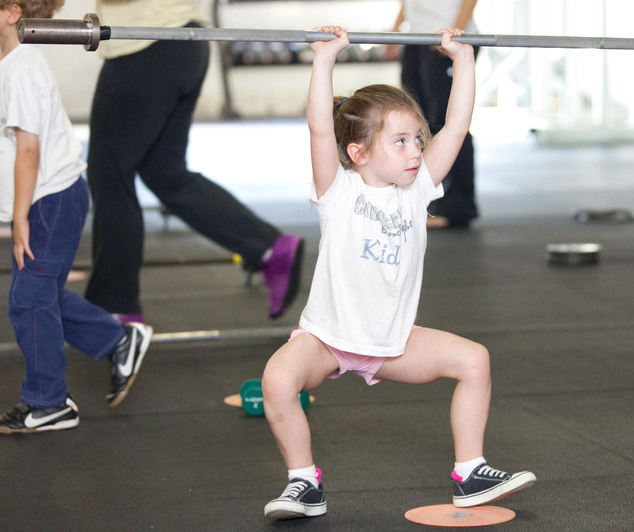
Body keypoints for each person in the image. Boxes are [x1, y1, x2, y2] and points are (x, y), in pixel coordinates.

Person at [260, 25, 535, 521]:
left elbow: (455, 127)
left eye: (416, 140)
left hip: (392, 342)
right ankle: (304, 484)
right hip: (328, 338)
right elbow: (322, 128)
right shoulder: (339, 192)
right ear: (359, 153)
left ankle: (470, 472)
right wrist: (324, 60)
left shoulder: (419, 190)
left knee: (475, 361)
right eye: (401, 141)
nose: (415, 152)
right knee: (278, 380)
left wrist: (464, 62)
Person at [84, 0, 304, 323]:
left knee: (110, 172)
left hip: (146, 44)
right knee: (166, 173)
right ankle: (270, 247)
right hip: (184, 43)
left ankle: (115, 308)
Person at [0, 0, 152, 434]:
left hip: (50, 201)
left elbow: (29, 151)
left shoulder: (23, 70)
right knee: (39, 294)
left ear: (13, 12)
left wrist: (20, 215)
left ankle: (48, 403)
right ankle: (118, 340)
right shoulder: (10, 65)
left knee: (29, 299)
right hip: (48, 200)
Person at [388, 0, 480, 229]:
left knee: (448, 123)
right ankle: (427, 200)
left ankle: (459, 208)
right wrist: (395, 30)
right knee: (416, 123)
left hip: (447, 39)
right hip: (417, 39)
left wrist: (453, 36)